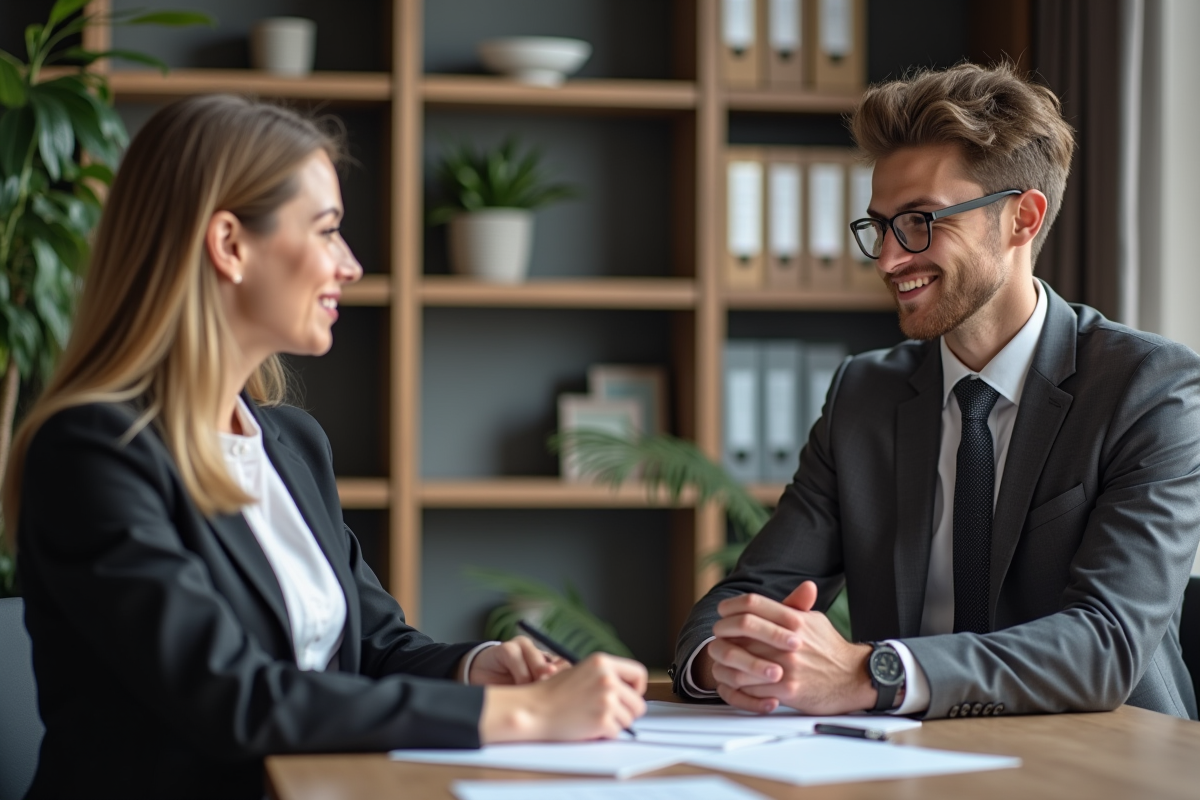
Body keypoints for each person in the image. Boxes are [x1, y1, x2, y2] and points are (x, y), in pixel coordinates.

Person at [4, 95, 647, 800]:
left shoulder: (292, 444)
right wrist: (519, 714)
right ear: (230, 245)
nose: (351, 265)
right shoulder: (92, 451)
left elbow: (370, 645)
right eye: (327, 231)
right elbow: (231, 699)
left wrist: (478, 670)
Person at [673, 62, 1200, 721]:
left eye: (920, 222)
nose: (890, 260)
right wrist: (728, 660)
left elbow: (1106, 643)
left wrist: (876, 672)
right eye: (879, 227)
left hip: (1104, 761)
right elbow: (754, 594)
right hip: (915, 760)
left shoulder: (1147, 388)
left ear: (1021, 219)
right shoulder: (864, 394)